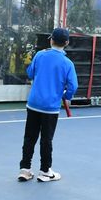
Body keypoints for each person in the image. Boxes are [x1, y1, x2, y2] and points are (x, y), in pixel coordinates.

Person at [19, 27, 78, 182]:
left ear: (51, 40)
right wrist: (66, 96)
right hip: (50, 108)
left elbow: (30, 73)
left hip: (33, 104)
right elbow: (73, 86)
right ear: (66, 43)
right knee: (46, 140)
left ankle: (25, 169)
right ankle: (45, 171)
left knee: (29, 137)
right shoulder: (68, 63)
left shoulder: (40, 55)